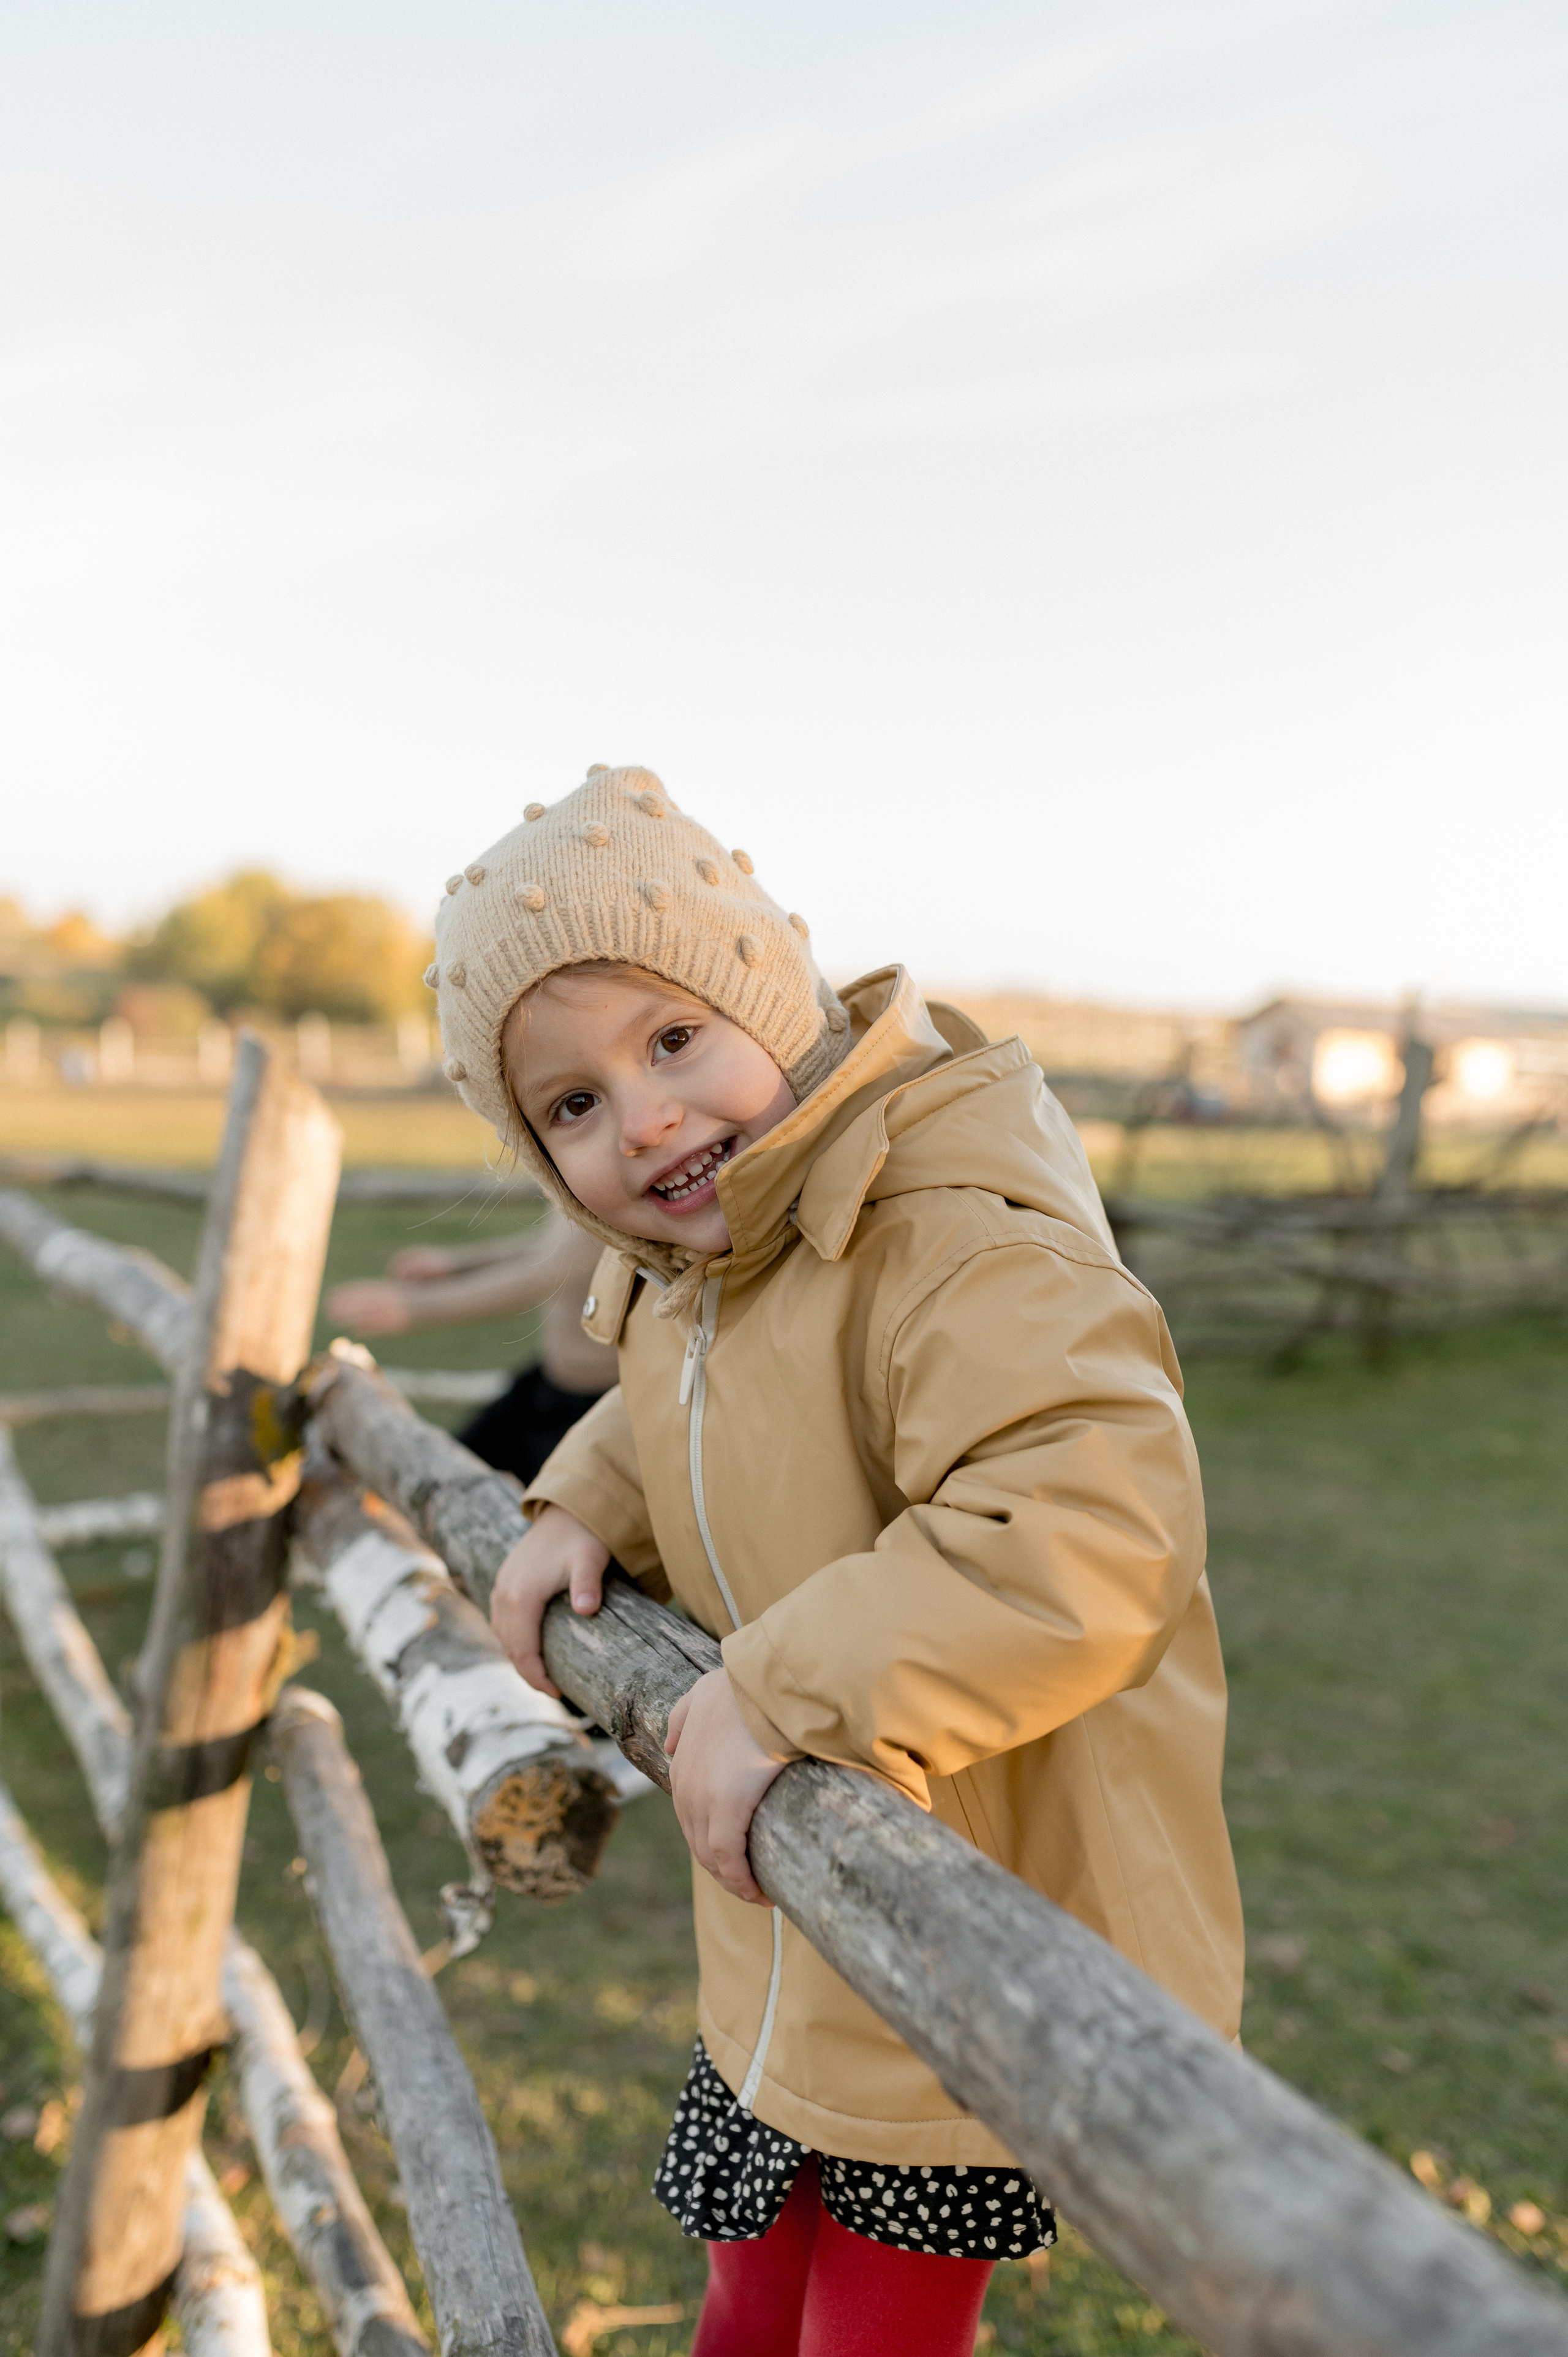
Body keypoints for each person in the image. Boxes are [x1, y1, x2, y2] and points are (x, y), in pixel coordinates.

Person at [431, 765, 1243, 2357]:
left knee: (866, 2337)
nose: (643, 1116)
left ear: (772, 1000)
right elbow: (695, 1392)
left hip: (972, 1933)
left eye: (673, 1037)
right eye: (572, 1105)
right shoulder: (710, 1255)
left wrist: (780, 1687)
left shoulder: (949, 1233)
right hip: (793, 1936)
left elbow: (1084, 1535)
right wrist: (586, 1491)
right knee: (743, 2301)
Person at [325, 1211, 614, 1485]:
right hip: (548, 1387)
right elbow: (552, 1248)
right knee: (450, 1481)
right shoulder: (591, 1183)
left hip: (596, 1410)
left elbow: (546, 1273)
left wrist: (413, 1308)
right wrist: (458, 1265)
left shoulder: (611, 1185)